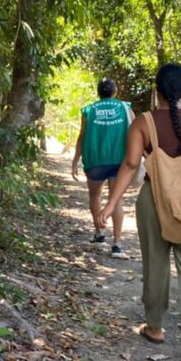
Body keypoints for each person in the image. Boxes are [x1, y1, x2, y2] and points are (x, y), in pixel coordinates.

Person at [97, 63, 181, 361]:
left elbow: (130, 165)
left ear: (157, 90)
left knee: (155, 263)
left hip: (153, 200)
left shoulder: (143, 122)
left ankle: (154, 327)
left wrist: (110, 205)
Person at [71, 78, 132, 258]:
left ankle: (99, 234)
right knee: (117, 200)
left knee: (95, 195)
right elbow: (135, 131)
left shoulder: (89, 110)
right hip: (119, 160)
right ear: (115, 91)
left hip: (95, 160)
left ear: (98, 92)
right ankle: (117, 245)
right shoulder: (125, 107)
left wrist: (75, 160)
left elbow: (82, 137)